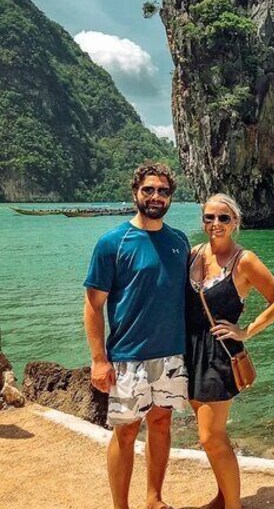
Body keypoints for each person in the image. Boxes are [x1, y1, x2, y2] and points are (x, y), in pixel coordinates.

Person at [83, 162, 190, 509]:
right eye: (149, 190)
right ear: (135, 193)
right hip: (128, 356)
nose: (156, 196)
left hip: (171, 354)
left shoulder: (179, 241)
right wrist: (99, 360)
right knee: (126, 431)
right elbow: (93, 306)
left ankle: (154, 499)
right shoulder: (113, 243)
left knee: (161, 423)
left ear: (170, 197)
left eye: (163, 191)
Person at [186, 193, 274, 509]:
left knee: (210, 436)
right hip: (190, 351)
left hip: (219, 354)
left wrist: (246, 331)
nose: (215, 223)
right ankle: (223, 496)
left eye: (223, 218)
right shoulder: (193, 254)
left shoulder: (244, 260)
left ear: (235, 223)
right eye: (209, 217)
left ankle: (233, 505)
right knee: (209, 436)